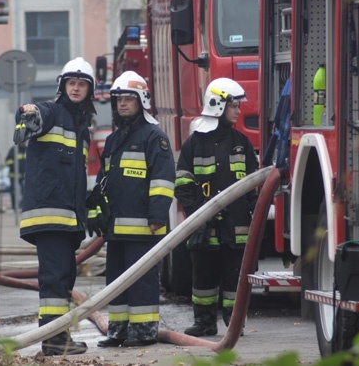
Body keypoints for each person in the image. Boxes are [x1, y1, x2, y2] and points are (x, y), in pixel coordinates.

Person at [13, 57, 97, 356]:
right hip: (49, 215)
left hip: (68, 219)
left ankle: (58, 334)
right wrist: (27, 112)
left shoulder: (82, 127)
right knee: (54, 278)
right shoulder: (51, 111)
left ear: (90, 90)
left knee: (64, 278)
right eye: (72, 83)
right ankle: (52, 340)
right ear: (62, 85)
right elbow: (32, 111)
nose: (76, 88)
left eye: (82, 84)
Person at [89, 71, 175, 348]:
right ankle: (119, 331)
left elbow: (162, 182)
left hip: (143, 227)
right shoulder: (114, 140)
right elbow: (104, 179)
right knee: (116, 280)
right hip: (115, 228)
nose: (122, 104)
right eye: (119, 100)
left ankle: (145, 331)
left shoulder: (154, 138)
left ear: (142, 101)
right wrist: (96, 208)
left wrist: (157, 217)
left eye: (128, 99)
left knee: (142, 282)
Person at [174, 78, 258, 337]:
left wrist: (254, 216)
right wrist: (196, 217)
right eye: (233, 105)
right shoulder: (194, 144)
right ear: (217, 105)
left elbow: (254, 185)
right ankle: (204, 323)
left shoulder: (241, 142)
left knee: (235, 278)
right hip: (203, 226)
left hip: (236, 225)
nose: (238, 110)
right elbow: (183, 185)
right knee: (203, 277)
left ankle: (234, 323)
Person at [5, 141, 27, 209]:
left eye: (25, 141)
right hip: (14, 175)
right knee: (14, 192)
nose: (24, 142)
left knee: (25, 191)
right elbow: (8, 161)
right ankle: (14, 206)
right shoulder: (14, 150)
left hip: (24, 175)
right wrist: (15, 168)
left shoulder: (27, 149)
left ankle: (22, 205)